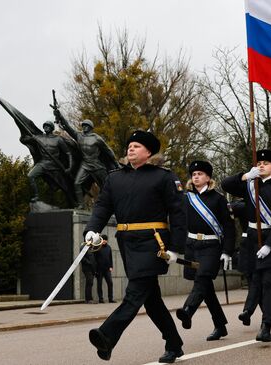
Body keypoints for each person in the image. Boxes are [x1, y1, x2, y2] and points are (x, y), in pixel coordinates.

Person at [85, 130, 186, 363]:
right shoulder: (114, 178)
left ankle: (107, 335)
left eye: (137, 146)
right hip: (127, 242)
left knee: (135, 293)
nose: (131, 148)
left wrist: (175, 248)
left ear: (149, 152)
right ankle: (174, 343)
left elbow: (179, 214)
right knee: (151, 300)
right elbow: (102, 208)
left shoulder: (164, 177)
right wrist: (92, 230)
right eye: (129, 145)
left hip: (153, 242)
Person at [222, 149, 271, 342]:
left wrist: (269, 245)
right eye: (259, 163)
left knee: (268, 281)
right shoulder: (249, 185)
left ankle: (266, 324)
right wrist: (244, 176)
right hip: (252, 238)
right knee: (257, 282)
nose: (261, 166)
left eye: (266, 163)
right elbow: (225, 184)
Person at [176, 160, 235, 341]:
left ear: (208, 178)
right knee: (206, 288)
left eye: (200, 174)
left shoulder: (218, 199)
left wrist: (227, 251)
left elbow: (229, 227)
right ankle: (220, 325)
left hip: (211, 246)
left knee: (202, 279)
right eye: (194, 174)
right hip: (192, 246)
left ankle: (187, 310)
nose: (196, 177)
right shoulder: (186, 198)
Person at [54, 111, 119, 209]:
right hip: (85, 165)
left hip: (97, 165)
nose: (84, 127)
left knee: (106, 186)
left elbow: (109, 151)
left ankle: (113, 206)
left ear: (90, 127)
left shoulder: (97, 138)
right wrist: (59, 115)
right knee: (77, 183)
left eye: (86, 125)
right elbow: (67, 127)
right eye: (83, 125)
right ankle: (81, 204)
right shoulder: (79, 136)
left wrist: (116, 163)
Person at [21, 121, 75, 204]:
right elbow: (23, 140)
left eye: (48, 126)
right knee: (30, 176)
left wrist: (70, 167)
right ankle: (36, 196)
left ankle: (73, 201)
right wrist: (30, 137)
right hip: (43, 163)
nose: (46, 127)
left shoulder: (58, 139)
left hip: (54, 165)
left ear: (52, 128)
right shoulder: (39, 138)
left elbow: (68, 153)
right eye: (45, 126)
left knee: (64, 186)